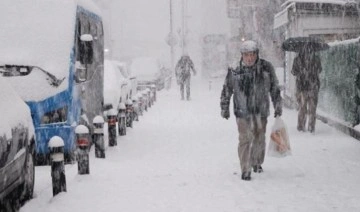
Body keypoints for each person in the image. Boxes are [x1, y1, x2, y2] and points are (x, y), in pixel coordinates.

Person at [220, 40, 282, 181]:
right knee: (245, 139)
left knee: (259, 137)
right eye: (246, 55)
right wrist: (225, 107)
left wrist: (277, 105)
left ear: (257, 54)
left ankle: (256, 162)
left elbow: (274, 88)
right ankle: (245, 168)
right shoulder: (235, 70)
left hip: (261, 110)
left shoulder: (266, 68)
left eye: (252, 54)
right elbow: (226, 90)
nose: (249, 58)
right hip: (242, 111)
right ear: (242, 55)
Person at [291, 46, 322, 133]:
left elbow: (293, 72)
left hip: (301, 87)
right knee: (312, 110)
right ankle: (311, 128)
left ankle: (301, 127)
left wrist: (301, 73)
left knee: (302, 109)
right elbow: (320, 70)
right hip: (313, 86)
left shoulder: (297, 59)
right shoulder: (316, 58)